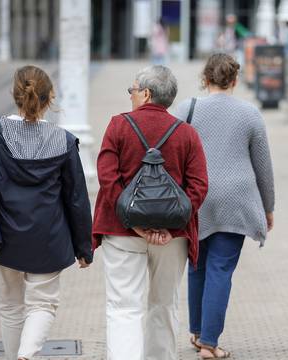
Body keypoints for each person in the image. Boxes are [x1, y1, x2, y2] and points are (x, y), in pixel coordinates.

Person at [0, 65, 93, 360]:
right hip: (49, 237)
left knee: (10, 305)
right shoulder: (64, 141)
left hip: (3, 233)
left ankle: (17, 356)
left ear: (14, 95)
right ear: (50, 98)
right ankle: (27, 354)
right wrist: (83, 248)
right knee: (43, 304)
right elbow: (76, 199)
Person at [93, 65, 208, 360]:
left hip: (121, 233)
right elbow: (199, 186)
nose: (130, 95)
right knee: (164, 304)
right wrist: (171, 226)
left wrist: (133, 222)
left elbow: (107, 177)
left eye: (132, 90)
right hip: (172, 237)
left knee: (123, 307)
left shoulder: (118, 125)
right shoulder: (187, 134)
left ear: (145, 93)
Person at [173, 53, 275, 359]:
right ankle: (209, 343)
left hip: (196, 199)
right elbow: (263, 168)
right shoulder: (250, 114)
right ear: (234, 80)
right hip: (237, 199)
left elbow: (171, 153)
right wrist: (268, 207)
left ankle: (197, 333)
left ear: (205, 79)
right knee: (221, 269)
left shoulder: (185, 110)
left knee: (197, 266)